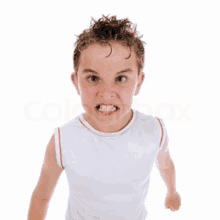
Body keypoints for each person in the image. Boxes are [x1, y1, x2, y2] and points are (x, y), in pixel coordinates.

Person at [28, 14, 181, 220]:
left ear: (139, 82)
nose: (107, 92)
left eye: (121, 78)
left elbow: (165, 163)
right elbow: (41, 197)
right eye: (93, 78)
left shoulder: (154, 130)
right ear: (76, 82)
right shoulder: (63, 140)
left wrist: (172, 192)